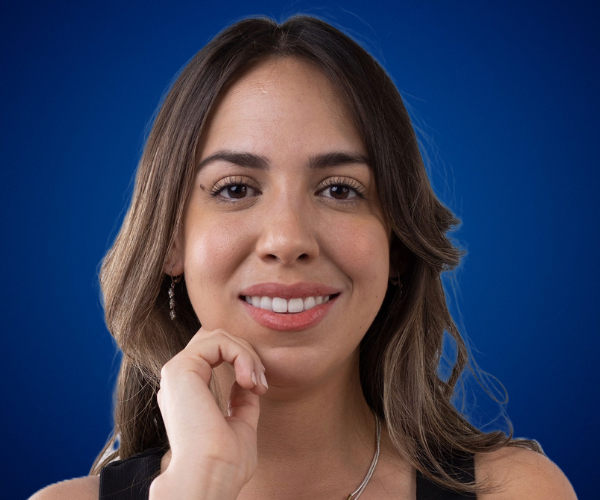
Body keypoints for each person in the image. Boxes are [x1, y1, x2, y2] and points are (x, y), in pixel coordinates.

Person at [30, 14, 576, 500]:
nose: (288, 239)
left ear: (398, 246)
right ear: (171, 242)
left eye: (340, 189)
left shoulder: (516, 491)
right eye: (236, 189)